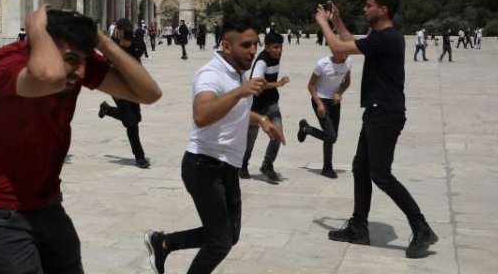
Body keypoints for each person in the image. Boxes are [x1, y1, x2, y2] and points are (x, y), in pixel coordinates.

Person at [0, 7, 162, 273]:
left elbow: (149, 93)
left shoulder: (74, 64)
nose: (79, 72)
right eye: (71, 59)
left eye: (83, 61)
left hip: (46, 202)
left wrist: (101, 41)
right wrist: (36, 27)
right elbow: (49, 77)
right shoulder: (6, 63)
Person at [143, 18, 285, 274]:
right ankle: (163, 244)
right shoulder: (211, 74)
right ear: (227, 47)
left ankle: (163, 243)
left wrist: (261, 119)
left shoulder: (237, 71)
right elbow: (202, 114)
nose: (253, 50)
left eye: (255, 44)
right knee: (220, 241)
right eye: (246, 45)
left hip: (227, 166)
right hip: (204, 166)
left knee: (229, 235)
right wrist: (240, 92)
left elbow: (234, 111)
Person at [315, 0, 438, 259]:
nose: (365, 9)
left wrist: (323, 24)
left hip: (385, 114)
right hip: (376, 112)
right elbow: (350, 42)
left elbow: (338, 48)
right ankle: (359, 226)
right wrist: (337, 21)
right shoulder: (381, 38)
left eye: (369, 5)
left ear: (383, 10)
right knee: (361, 168)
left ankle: (422, 228)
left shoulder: (389, 38)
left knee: (380, 174)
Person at [98, 18, 153, 169]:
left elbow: (139, 64)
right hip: (117, 88)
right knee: (132, 124)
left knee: (136, 118)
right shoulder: (113, 46)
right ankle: (140, 157)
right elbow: (103, 64)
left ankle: (107, 109)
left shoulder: (137, 44)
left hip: (133, 87)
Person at [241, 31, 289, 182]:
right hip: (255, 106)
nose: (279, 51)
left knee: (277, 131)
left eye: (280, 47)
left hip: (271, 103)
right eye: (275, 47)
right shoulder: (262, 61)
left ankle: (267, 165)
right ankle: (242, 165)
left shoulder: (277, 57)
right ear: (267, 47)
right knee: (250, 139)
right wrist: (278, 84)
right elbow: (256, 84)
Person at [297, 51, 352, 179]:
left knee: (333, 137)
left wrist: (340, 92)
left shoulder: (348, 62)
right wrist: (319, 104)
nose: (345, 59)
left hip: (335, 101)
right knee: (330, 136)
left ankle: (306, 129)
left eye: (347, 55)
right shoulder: (322, 64)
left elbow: (347, 81)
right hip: (320, 100)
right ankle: (327, 168)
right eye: (343, 55)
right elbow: (311, 86)